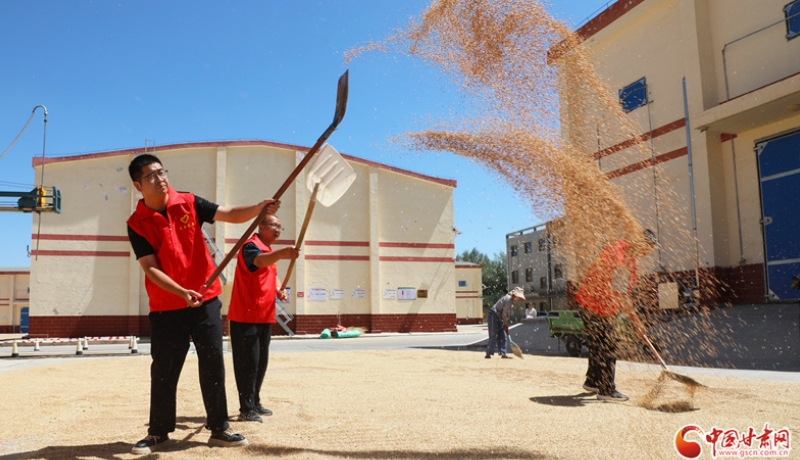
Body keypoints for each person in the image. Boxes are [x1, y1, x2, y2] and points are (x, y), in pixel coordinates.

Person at [126, 154, 279, 454]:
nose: (160, 179)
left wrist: (259, 208)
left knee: (212, 363)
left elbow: (232, 214)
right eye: (151, 176)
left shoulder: (188, 202)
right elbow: (150, 267)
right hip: (167, 305)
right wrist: (181, 291)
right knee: (165, 369)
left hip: (206, 298)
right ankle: (158, 432)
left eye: (162, 172)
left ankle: (219, 428)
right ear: (137, 185)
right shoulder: (137, 223)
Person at [228, 213, 298, 423]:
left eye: (280, 227)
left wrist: (278, 289)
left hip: (263, 316)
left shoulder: (267, 250)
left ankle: (255, 402)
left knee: (260, 363)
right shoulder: (251, 246)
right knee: (247, 364)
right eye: (273, 225)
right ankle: (245, 409)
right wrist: (284, 252)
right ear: (261, 226)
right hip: (245, 316)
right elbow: (258, 262)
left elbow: (270, 272)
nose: (277, 230)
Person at [575, 229, 657, 402]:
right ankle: (606, 390)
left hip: (587, 302)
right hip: (596, 306)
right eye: (647, 249)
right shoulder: (622, 260)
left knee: (598, 343)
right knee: (608, 345)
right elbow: (622, 296)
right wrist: (637, 323)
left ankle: (592, 381)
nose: (646, 253)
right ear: (640, 243)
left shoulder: (619, 247)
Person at [486, 287, 526, 359]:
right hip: (493, 315)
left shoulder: (509, 299)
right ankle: (488, 353)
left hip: (499, 316)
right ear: (515, 295)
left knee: (503, 335)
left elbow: (504, 313)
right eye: (518, 297)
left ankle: (503, 353)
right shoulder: (509, 299)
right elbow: (504, 314)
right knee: (493, 334)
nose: (518, 299)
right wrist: (505, 324)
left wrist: (504, 323)